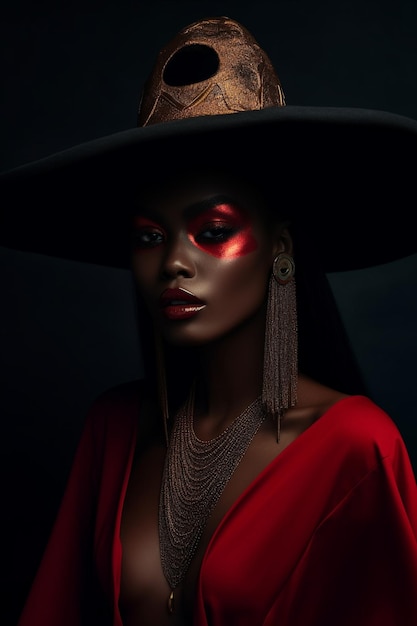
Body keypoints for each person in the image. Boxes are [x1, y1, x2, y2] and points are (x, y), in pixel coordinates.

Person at [2, 15, 417, 626]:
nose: (173, 261)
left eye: (213, 231)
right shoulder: (115, 430)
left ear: (280, 247)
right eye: (148, 236)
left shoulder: (356, 446)